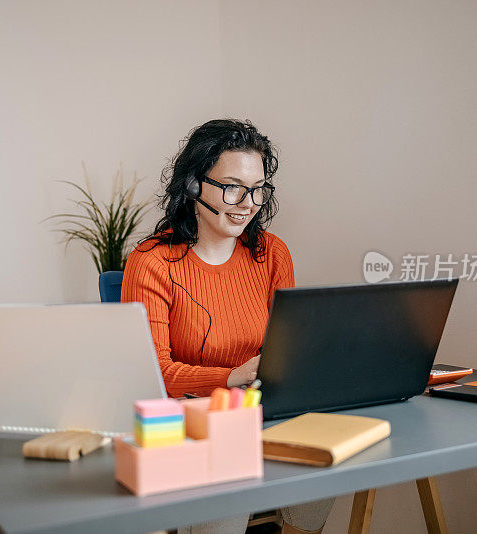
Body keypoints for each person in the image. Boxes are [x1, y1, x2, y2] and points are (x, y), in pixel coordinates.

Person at [121, 119, 334, 534]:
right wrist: (229, 376)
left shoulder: (272, 253)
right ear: (194, 185)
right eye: (233, 186)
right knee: (231, 470)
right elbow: (152, 375)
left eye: (257, 189)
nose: (248, 202)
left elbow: (286, 347)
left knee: (327, 453)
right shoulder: (151, 262)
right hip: (195, 418)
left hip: (267, 410)